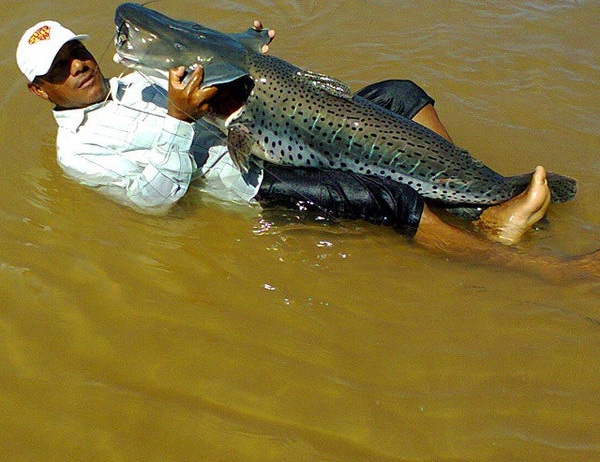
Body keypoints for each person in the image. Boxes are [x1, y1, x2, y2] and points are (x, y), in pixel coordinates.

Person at [16, 19, 599, 283]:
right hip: (248, 181)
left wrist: (246, 48)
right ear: (39, 90)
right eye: (59, 69)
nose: (78, 66)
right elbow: (153, 204)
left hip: (273, 132)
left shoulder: (132, 78)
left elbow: (212, 68)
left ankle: (481, 196)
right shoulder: (78, 153)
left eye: (77, 51)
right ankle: (541, 268)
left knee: (401, 93)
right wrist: (175, 122)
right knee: (387, 199)